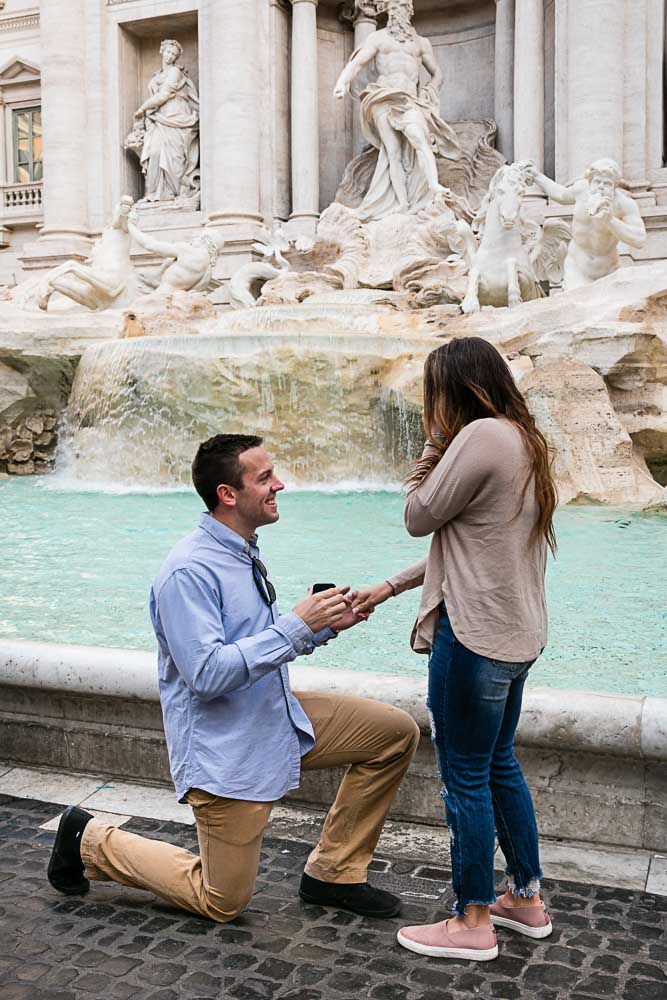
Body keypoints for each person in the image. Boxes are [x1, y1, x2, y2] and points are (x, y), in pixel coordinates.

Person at [47, 434, 420, 923]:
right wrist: (295, 626)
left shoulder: (241, 550)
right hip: (227, 751)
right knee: (222, 900)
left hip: (275, 717)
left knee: (394, 734)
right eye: (264, 478)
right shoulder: (188, 571)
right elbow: (206, 675)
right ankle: (88, 839)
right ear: (228, 494)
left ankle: (334, 872)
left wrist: (319, 628)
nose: (279, 485)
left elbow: (256, 643)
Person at [354, 337, 557, 960]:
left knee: (465, 776)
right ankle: (524, 899)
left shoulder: (478, 437)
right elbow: (468, 540)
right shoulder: (523, 440)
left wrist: (432, 442)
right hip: (517, 635)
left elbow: (419, 513)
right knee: (499, 765)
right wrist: (390, 587)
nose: (428, 402)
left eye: (433, 392)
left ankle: (470, 921)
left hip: (473, 638)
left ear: (457, 389)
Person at [333, 0, 459, 221]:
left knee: (418, 138)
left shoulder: (421, 43)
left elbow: (437, 73)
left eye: (399, 8)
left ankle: (433, 186)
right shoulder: (378, 38)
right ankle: (402, 203)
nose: (395, 13)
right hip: (383, 96)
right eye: (392, 9)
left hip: (409, 99)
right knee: (393, 152)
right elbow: (357, 63)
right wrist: (342, 82)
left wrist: (429, 91)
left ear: (409, 11)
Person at [527, 158, 646, 290]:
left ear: (615, 186)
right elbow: (560, 194)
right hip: (577, 268)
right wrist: (537, 176)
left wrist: (610, 220)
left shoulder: (624, 204)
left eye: (607, 183)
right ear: (590, 182)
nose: (601, 186)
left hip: (608, 271)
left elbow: (639, 239)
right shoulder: (581, 190)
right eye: (597, 181)